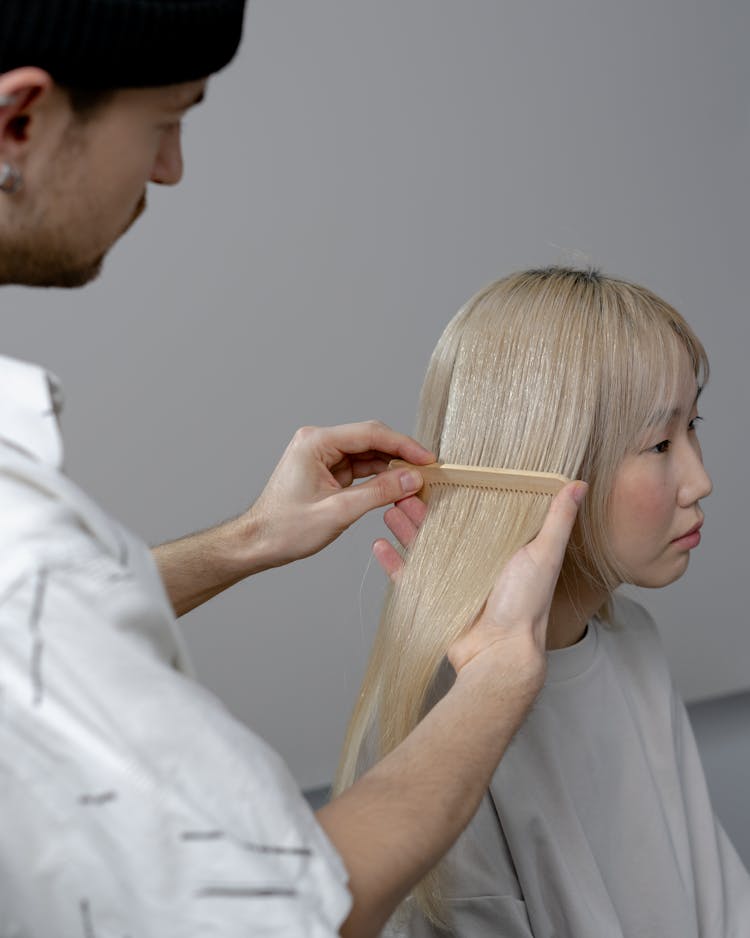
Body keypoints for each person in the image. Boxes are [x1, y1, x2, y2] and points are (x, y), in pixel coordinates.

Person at [0, 5, 586, 937]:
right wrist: (501, 676)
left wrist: (244, 542)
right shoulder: (22, 548)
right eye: (165, 122)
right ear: (19, 120)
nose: (171, 168)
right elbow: (298, 914)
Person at [335, 267, 750, 937]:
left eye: (693, 425)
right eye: (662, 444)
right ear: (545, 465)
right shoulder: (445, 713)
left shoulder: (632, 643)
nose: (701, 480)